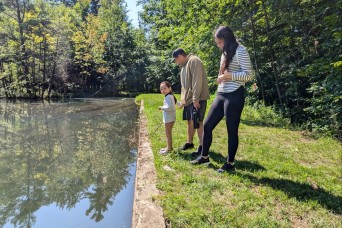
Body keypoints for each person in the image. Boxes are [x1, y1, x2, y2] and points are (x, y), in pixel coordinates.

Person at [191, 26, 254, 172]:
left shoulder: (241, 50)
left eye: (219, 42)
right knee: (207, 125)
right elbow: (225, 71)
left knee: (231, 130)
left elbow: (249, 75)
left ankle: (230, 164)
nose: (218, 45)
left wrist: (228, 76)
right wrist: (221, 78)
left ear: (226, 39)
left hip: (235, 94)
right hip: (221, 93)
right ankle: (205, 157)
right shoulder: (225, 52)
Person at [172, 48, 210, 156]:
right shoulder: (183, 67)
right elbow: (185, 86)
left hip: (197, 99)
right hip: (189, 100)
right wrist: (183, 101)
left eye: (175, 60)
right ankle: (190, 143)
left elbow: (197, 81)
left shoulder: (194, 61)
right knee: (190, 121)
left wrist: (195, 99)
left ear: (179, 56)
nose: (176, 62)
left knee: (198, 122)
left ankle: (202, 148)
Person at [159, 81, 177, 155]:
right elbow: (177, 103)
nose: (163, 90)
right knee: (168, 133)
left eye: (164, 88)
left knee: (168, 134)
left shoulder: (168, 96)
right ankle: (168, 147)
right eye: (161, 89)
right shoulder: (170, 95)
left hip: (169, 119)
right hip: (170, 118)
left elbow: (170, 108)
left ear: (169, 88)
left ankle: (169, 149)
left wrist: (161, 108)